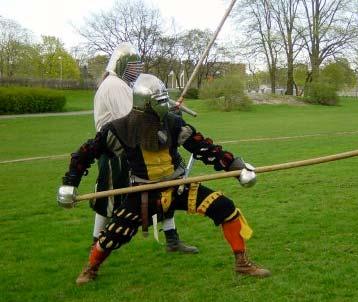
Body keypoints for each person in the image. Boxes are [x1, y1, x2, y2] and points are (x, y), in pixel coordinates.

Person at [57, 73, 271, 285]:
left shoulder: (172, 123)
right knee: (112, 236)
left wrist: (236, 166)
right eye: (159, 99)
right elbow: (84, 154)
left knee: (226, 208)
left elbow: (204, 148)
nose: (163, 104)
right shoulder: (119, 129)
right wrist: (69, 184)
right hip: (143, 193)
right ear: (147, 103)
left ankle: (242, 263)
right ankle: (91, 268)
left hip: (178, 186)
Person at [90, 42, 197, 254]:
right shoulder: (114, 86)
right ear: (120, 65)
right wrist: (167, 116)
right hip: (118, 150)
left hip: (132, 148)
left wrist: (165, 109)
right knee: (109, 198)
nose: (137, 70)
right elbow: (132, 122)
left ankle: (172, 239)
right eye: (133, 65)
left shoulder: (121, 85)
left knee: (165, 188)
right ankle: (96, 244)